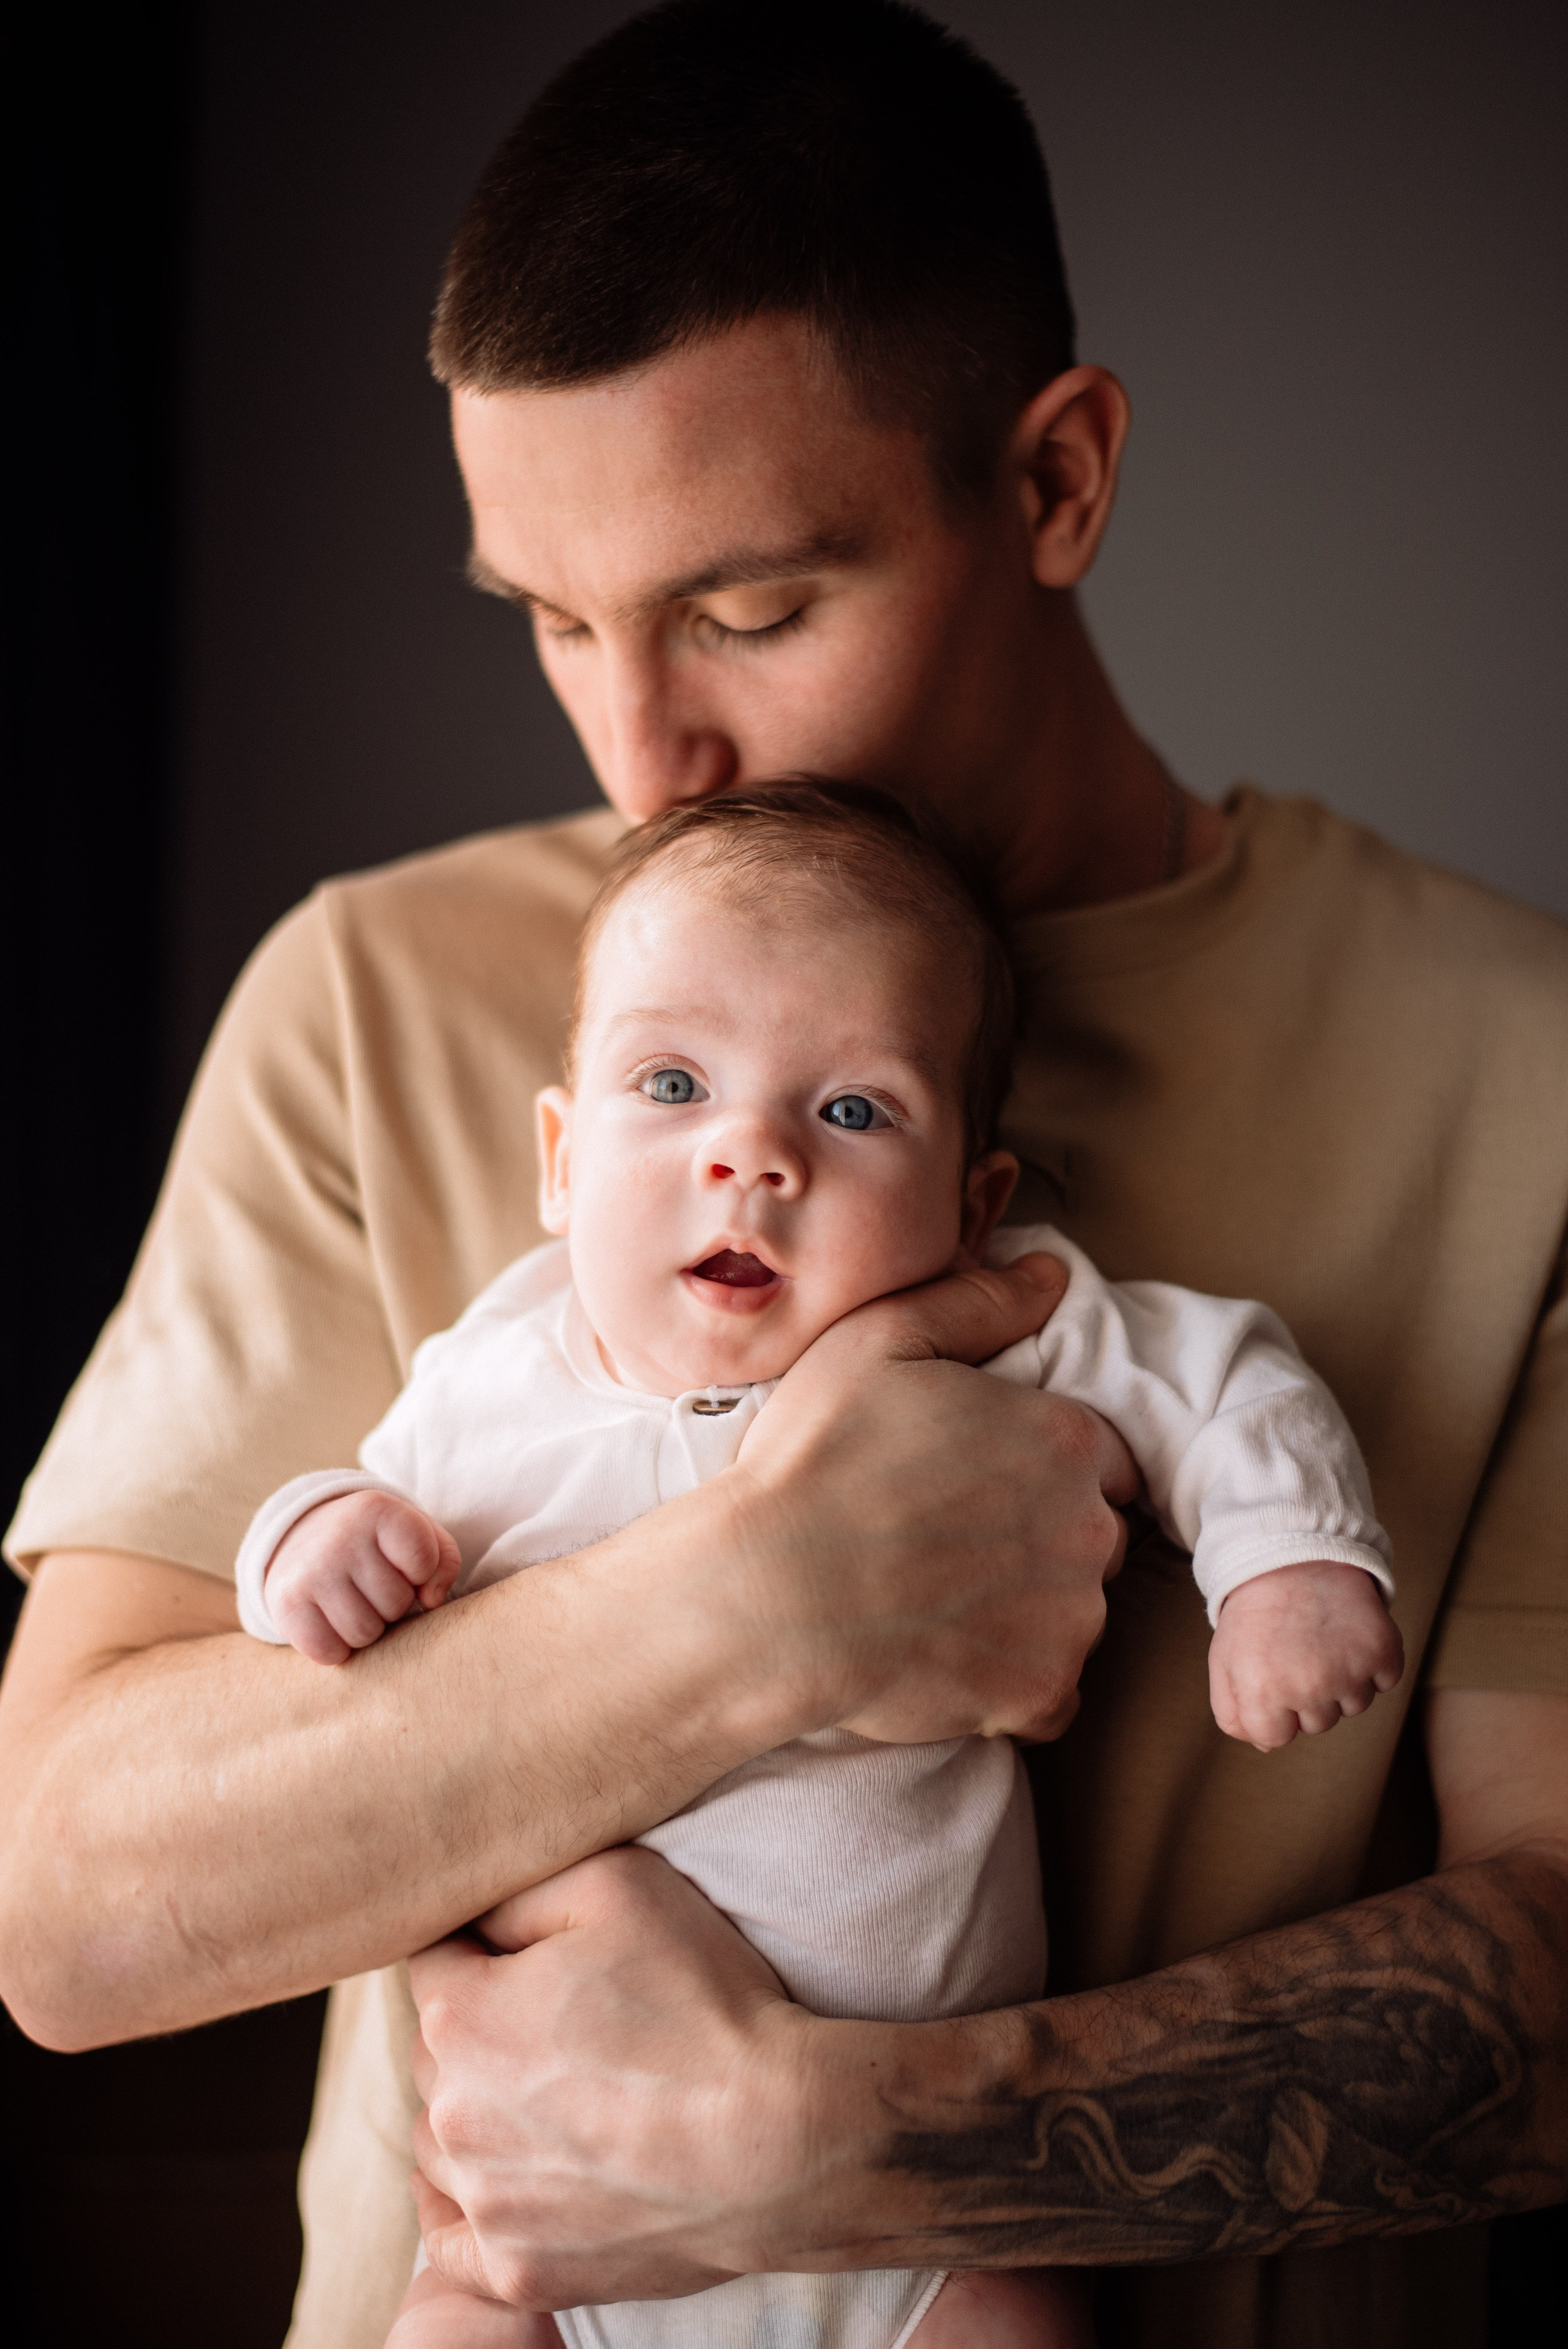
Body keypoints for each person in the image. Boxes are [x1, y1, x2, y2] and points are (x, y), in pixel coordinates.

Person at [0, 5, 1563, 2347]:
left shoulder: (1519, 1070)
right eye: (548, 619)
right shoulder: (376, 994)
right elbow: (74, 1912)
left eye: (747, 613)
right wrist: (771, 1600)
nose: (647, 756)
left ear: (1053, 483)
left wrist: (811, 2150)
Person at [238, 782, 1398, 2349]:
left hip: (920, 2223)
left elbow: (1212, 1376)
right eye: (671, 1084)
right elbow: (341, 1535)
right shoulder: (491, 1376)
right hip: (538, 2235)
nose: (751, 1155)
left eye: (851, 1111)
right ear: (560, 1160)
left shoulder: (984, 1332)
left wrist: (1286, 1562)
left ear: (972, 1203)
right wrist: (311, 1543)